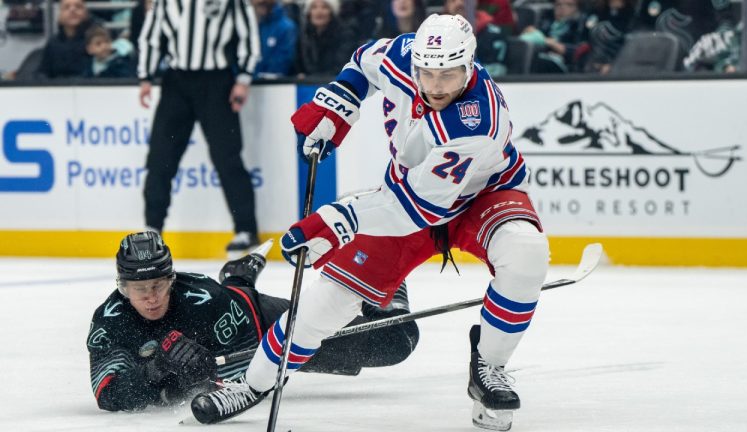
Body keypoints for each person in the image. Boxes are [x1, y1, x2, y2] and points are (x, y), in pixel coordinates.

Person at [191, 13, 550, 431]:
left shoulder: (477, 121)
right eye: (427, 73)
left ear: (470, 66)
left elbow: (418, 210)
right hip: (406, 197)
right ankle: (253, 384)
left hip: (479, 198)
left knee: (526, 252)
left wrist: (338, 219)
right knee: (325, 304)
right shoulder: (402, 55)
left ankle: (489, 366)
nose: (435, 86)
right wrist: (340, 102)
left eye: (448, 76)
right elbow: (363, 61)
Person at [87, 232, 419, 411]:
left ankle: (384, 279)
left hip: (265, 324)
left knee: (396, 343)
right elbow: (108, 395)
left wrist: (207, 375)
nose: (151, 297)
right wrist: (156, 371)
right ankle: (236, 276)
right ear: (122, 287)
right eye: (139, 289)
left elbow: (257, 369)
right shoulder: (110, 321)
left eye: (158, 285)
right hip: (233, 312)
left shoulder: (202, 297)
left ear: (172, 279)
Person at [137, 0, 261, 254]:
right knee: (161, 157)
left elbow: (248, 35)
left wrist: (244, 79)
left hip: (216, 82)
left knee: (227, 157)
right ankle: (152, 228)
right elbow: (151, 36)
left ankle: (246, 229)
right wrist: (146, 76)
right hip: (176, 83)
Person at [295, 0, 357, 78]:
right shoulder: (304, 35)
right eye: (314, 7)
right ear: (309, 12)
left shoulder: (345, 35)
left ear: (331, 12)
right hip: (307, 85)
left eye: (324, 7)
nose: (319, 12)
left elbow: (340, 66)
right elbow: (299, 65)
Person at [36, 0, 97, 79]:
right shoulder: (53, 43)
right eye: (66, 7)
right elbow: (43, 72)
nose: (72, 10)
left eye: (78, 7)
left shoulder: (97, 39)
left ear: (86, 13)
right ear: (60, 15)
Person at [252, 0, 298, 78]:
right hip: (247, 82)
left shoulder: (286, 27)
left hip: (275, 84)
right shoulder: (251, 26)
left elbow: (283, 59)